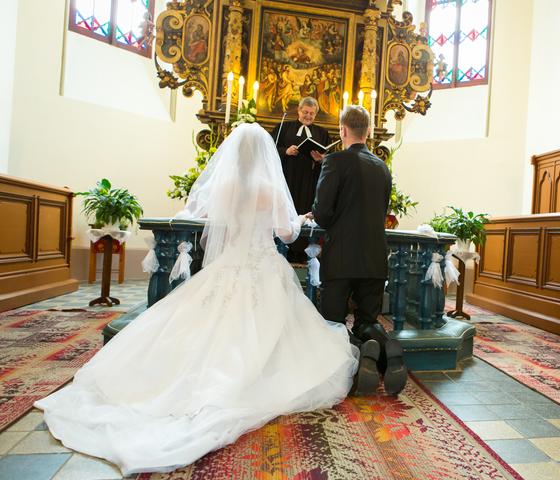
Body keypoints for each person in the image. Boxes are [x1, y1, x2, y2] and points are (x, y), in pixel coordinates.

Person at [33, 124, 369, 476]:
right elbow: (286, 233)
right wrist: (298, 220)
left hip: (227, 266)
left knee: (204, 325)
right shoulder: (269, 189)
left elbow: (209, 222)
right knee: (273, 328)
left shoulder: (223, 186)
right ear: (265, 156)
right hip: (261, 267)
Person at [311, 106, 408, 396]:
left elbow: (323, 213)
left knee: (334, 322)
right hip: (375, 256)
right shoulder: (382, 167)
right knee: (367, 319)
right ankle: (383, 348)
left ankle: (355, 362)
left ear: (343, 130)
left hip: (341, 256)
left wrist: (318, 214)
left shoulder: (335, 161)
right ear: (368, 131)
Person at [271, 96, 331, 263]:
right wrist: (285, 151)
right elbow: (269, 150)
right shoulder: (284, 127)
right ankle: (281, 249)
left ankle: (302, 253)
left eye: (312, 113)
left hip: (310, 182)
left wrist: (321, 159)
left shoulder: (322, 133)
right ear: (298, 110)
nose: (308, 116)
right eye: (305, 112)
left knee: (305, 212)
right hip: (287, 180)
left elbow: (330, 158)